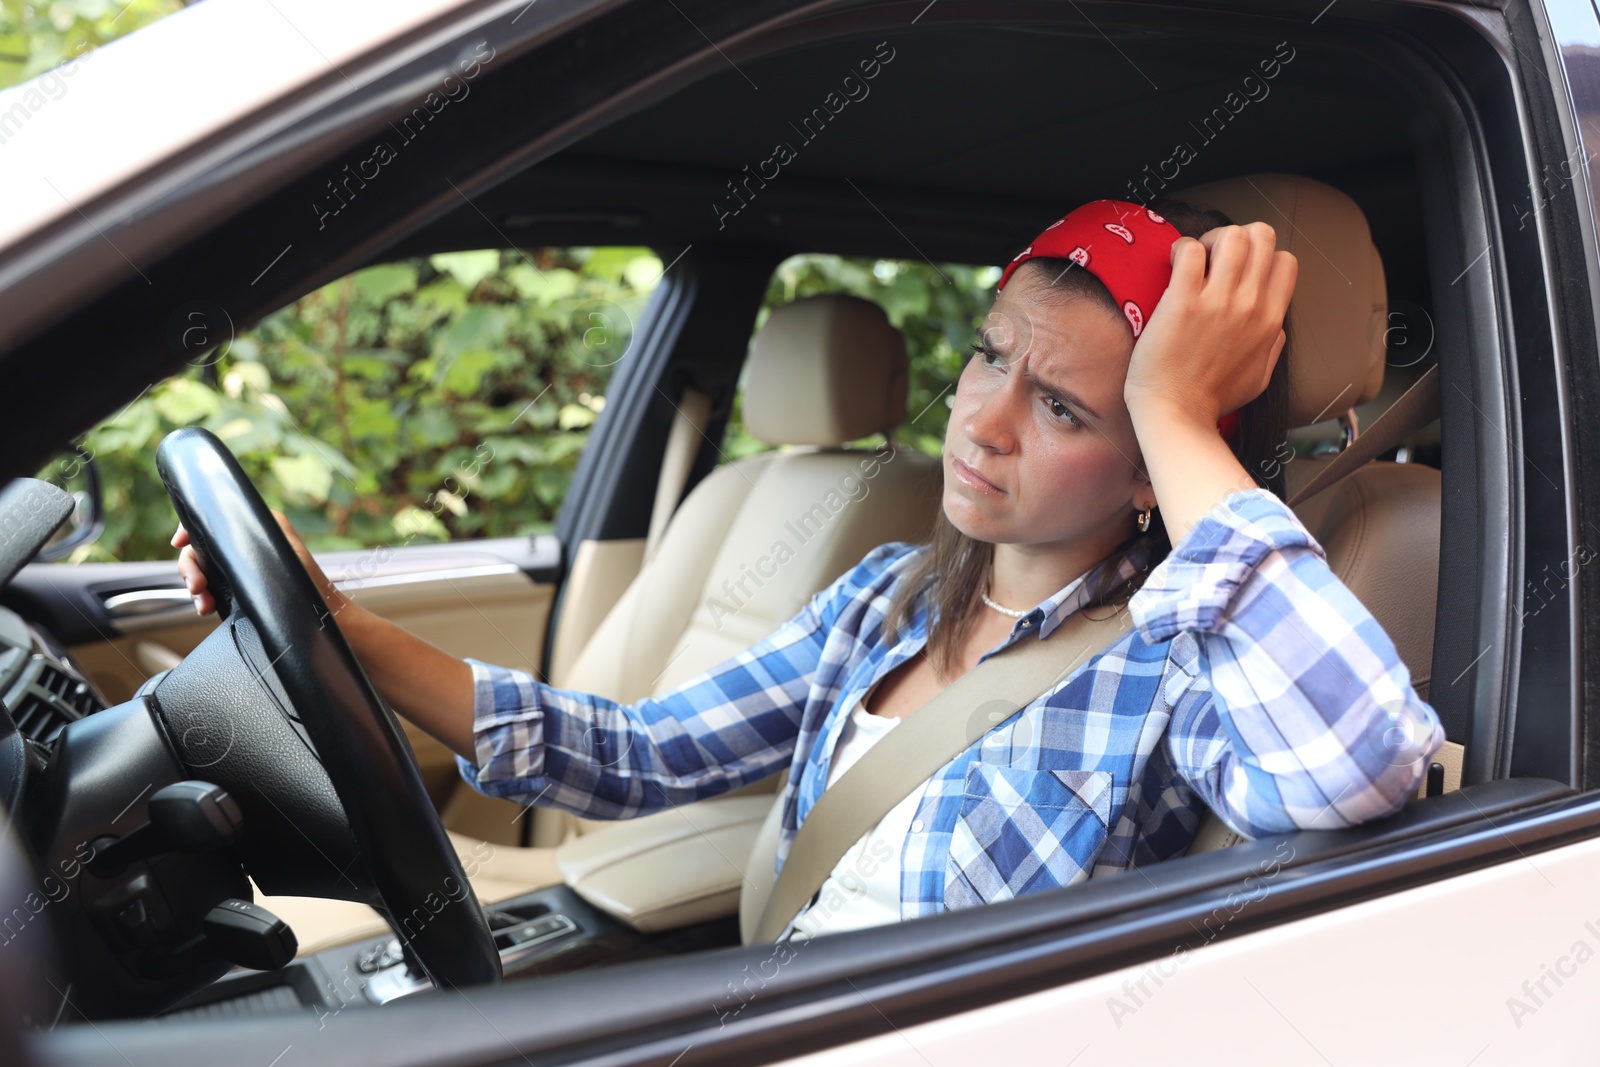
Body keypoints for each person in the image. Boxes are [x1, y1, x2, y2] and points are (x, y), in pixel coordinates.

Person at [174, 199, 1445, 940]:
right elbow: (637, 752)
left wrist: (1177, 415)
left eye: (1063, 408)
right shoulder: (887, 596)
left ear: (1144, 472)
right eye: (990, 356)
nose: (982, 420)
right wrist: (335, 622)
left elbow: (1360, 763)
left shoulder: (1178, 671)